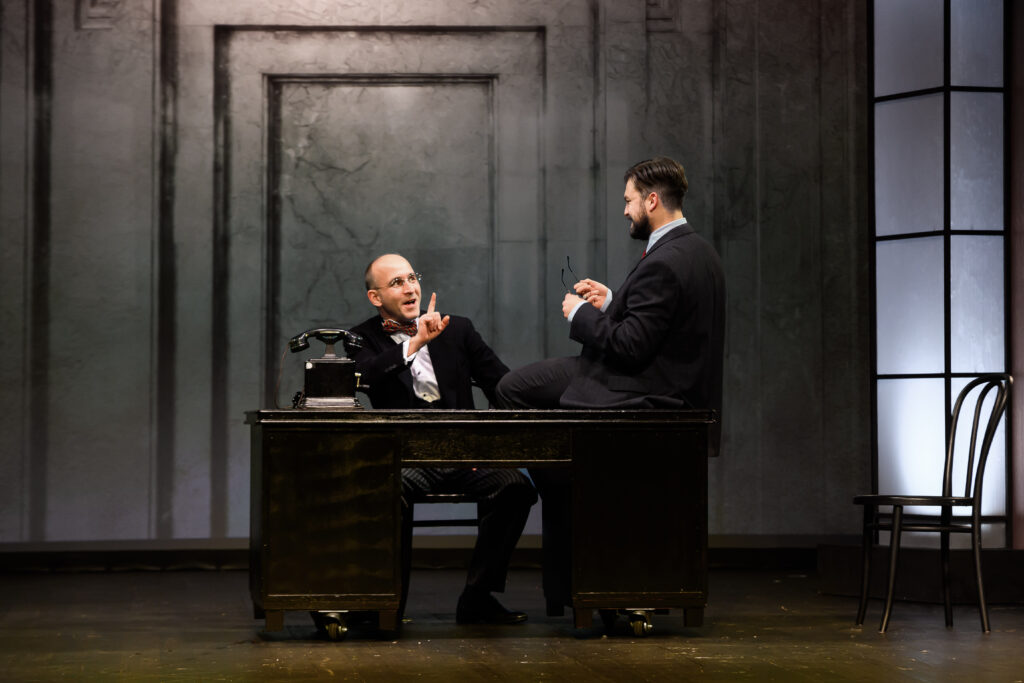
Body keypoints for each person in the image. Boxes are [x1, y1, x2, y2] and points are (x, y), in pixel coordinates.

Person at [495, 156, 726, 614]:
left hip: (647, 391)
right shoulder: (698, 251)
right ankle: (564, 491)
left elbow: (632, 347)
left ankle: (563, 494)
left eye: (629, 200)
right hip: (677, 386)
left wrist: (581, 314)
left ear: (652, 200)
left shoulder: (666, 259)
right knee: (523, 393)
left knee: (511, 389)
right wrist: (613, 301)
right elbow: (664, 323)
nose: (625, 210)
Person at [349, 253, 538, 625]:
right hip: (407, 460)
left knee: (516, 488)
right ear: (375, 297)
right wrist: (415, 343)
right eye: (397, 282)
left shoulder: (458, 329)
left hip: (465, 455)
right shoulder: (361, 337)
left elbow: (503, 385)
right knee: (387, 491)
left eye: (412, 278)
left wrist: (494, 440)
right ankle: (388, 605)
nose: (410, 288)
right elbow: (365, 376)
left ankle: (477, 598)